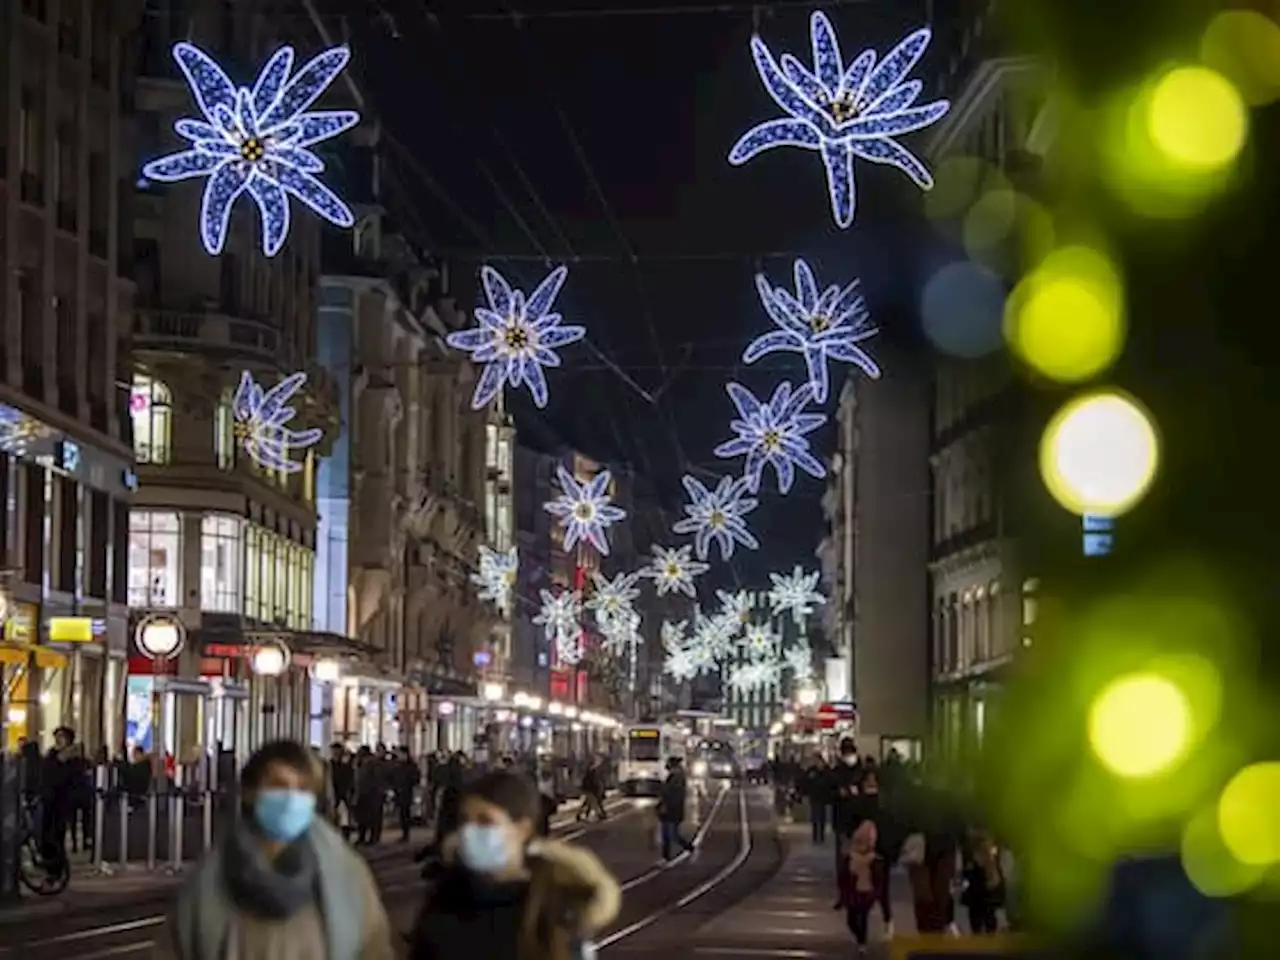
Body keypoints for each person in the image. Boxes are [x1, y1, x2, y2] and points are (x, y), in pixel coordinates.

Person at [153, 739, 394, 959]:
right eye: (278, 785)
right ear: (249, 792)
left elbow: (374, 950)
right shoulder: (208, 885)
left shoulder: (346, 875)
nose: (291, 798)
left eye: (302, 789)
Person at [407, 769, 621, 959]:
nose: (470, 831)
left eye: (485, 821)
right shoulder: (444, 899)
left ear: (522, 828)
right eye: (465, 820)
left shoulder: (553, 906)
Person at [839, 820, 888, 956]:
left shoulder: (875, 860)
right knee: (851, 919)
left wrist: (877, 893)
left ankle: (862, 942)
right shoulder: (850, 858)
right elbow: (843, 877)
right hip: (853, 892)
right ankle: (860, 938)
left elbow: (879, 880)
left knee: (862, 917)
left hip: (867, 893)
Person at [961, 830, 1006, 934]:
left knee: (986, 919)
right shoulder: (973, 855)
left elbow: (994, 876)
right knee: (980, 920)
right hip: (978, 894)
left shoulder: (988, 854)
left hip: (984, 895)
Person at [657, 757, 695, 861]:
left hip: (671, 811)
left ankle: (688, 847)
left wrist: (665, 804)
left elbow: (672, 794)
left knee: (671, 834)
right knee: (668, 834)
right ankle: (666, 855)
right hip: (669, 811)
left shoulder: (677, 777)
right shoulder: (674, 776)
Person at [576, 756, 607, 822]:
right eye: (599, 761)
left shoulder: (592, 770)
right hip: (590, 789)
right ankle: (599, 814)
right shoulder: (591, 770)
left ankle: (579, 814)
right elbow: (592, 781)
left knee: (587, 803)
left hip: (590, 789)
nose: (599, 763)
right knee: (594, 802)